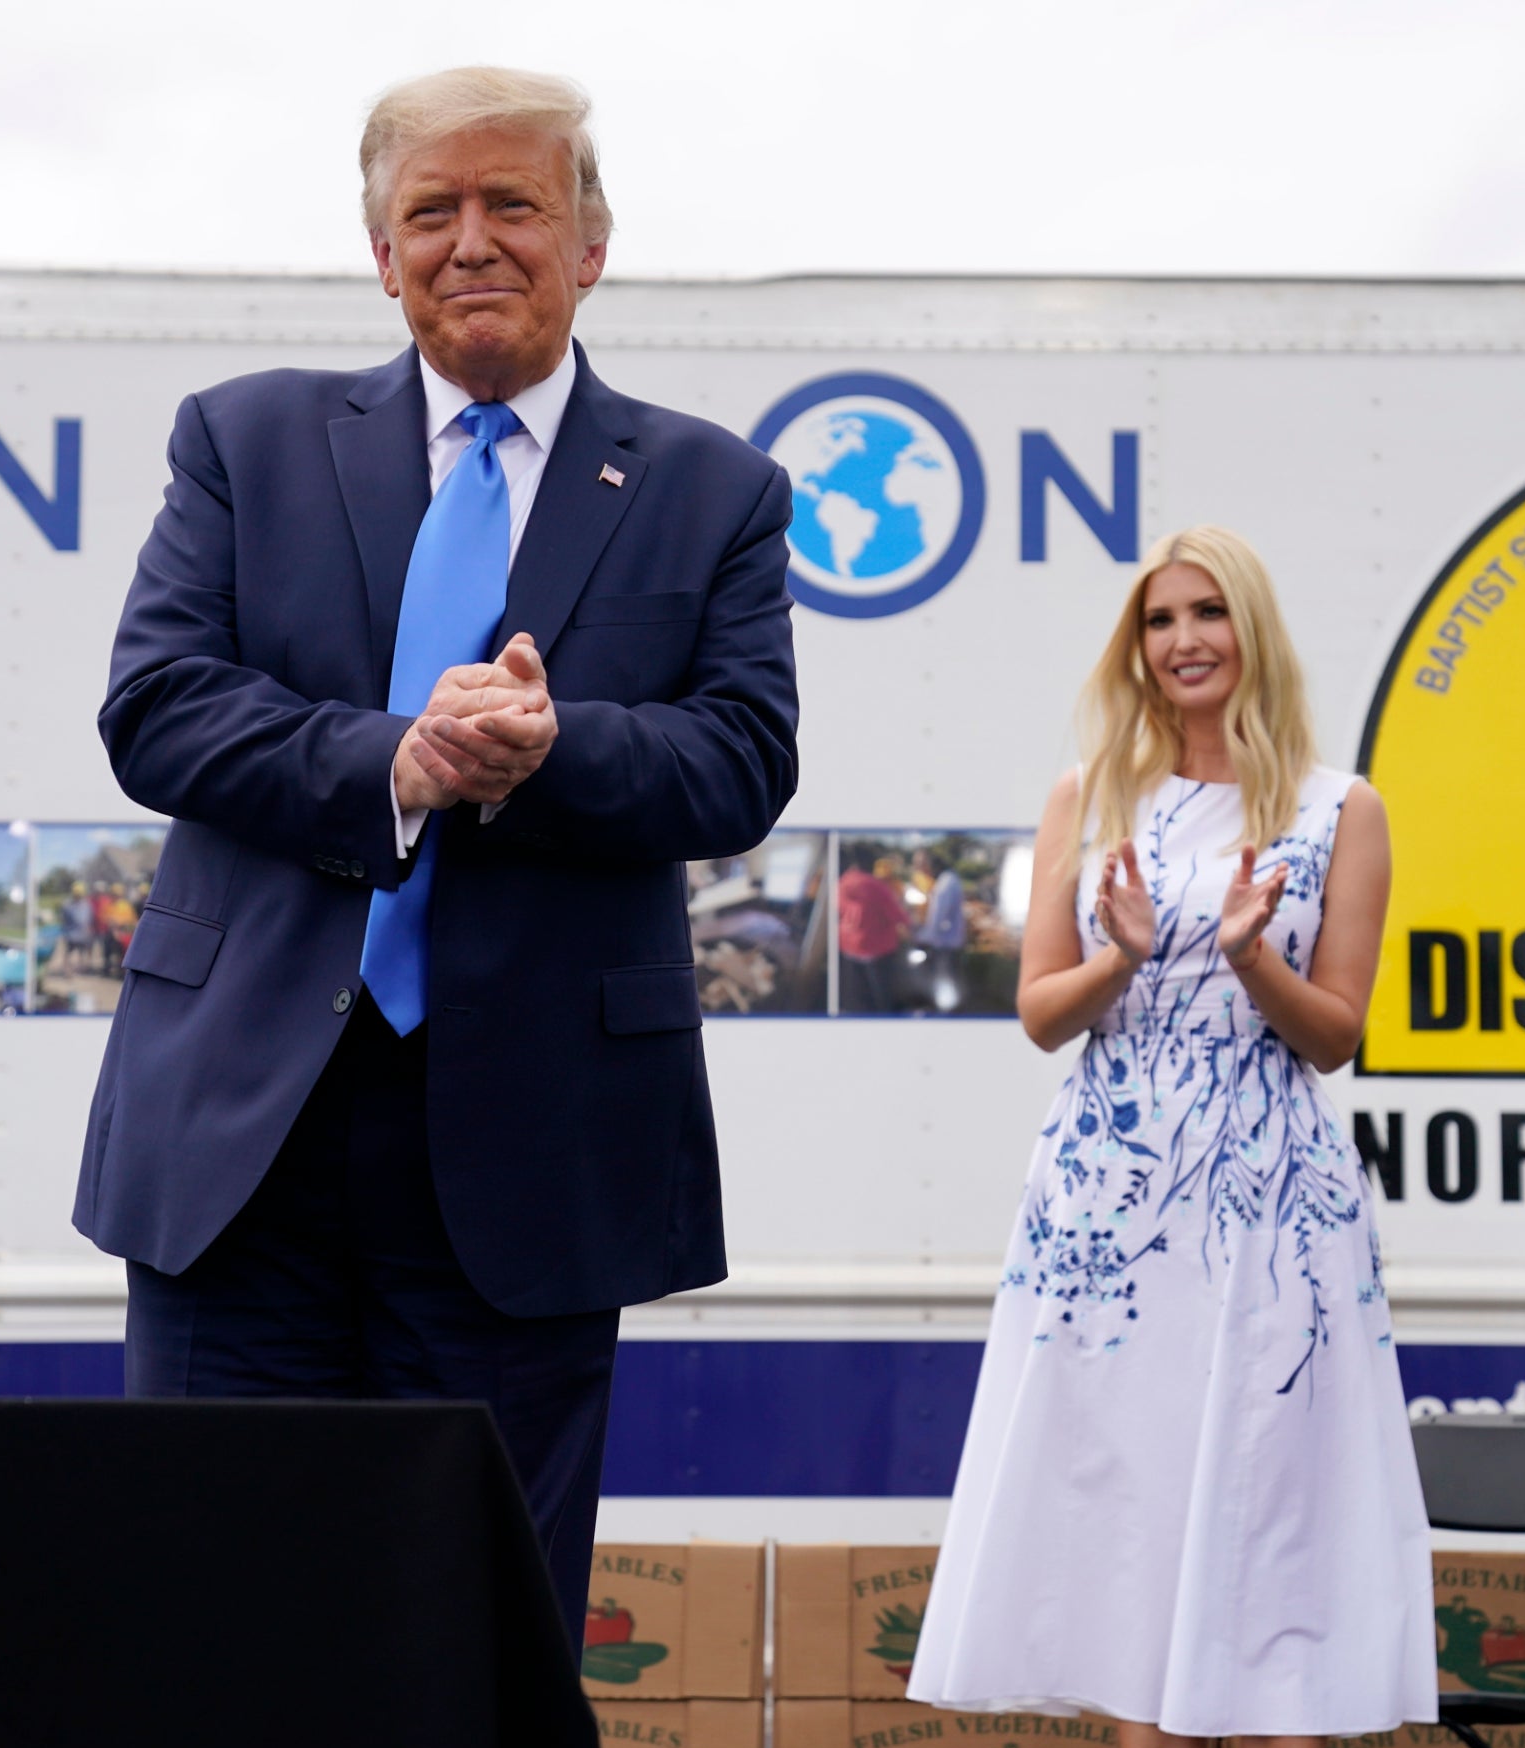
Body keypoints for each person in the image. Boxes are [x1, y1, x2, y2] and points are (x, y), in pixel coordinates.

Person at [71, 65, 797, 1651]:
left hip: (529, 1164)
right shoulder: (243, 442)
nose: (474, 241)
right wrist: (393, 759)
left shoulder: (713, 490)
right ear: (382, 250)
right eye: (433, 212)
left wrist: (555, 751)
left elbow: (742, 760)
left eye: (515, 203)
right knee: (206, 1630)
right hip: (240, 1148)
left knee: (474, 1644)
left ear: (591, 241)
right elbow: (159, 707)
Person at [910, 527, 1434, 1748]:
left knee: (1270, 1525)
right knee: (1135, 1529)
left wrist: (1255, 957)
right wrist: (1124, 956)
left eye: (1209, 613)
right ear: (1135, 646)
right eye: (1160, 619)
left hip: (1272, 1204)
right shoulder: (1088, 796)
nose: (1185, 638)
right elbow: (1041, 1009)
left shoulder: (1339, 805)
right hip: (1109, 1199)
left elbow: (1336, 1035)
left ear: (1252, 632)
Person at [836, 842, 910, 1012]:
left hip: (850, 946)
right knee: (882, 992)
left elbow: (839, 910)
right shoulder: (875, 886)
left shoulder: (843, 882)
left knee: (858, 993)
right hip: (876, 947)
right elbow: (898, 916)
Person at [913, 846, 966, 1011]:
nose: (921, 869)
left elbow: (937, 919)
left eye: (923, 865)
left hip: (945, 943)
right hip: (950, 940)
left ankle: (945, 1015)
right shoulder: (950, 880)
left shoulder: (945, 884)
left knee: (944, 981)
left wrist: (921, 937)